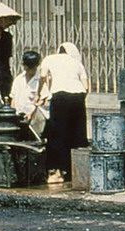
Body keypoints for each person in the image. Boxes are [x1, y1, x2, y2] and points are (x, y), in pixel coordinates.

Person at [34, 42, 89, 184]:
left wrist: (39, 93)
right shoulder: (77, 63)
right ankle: (75, 172)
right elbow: (86, 87)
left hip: (59, 97)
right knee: (77, 134)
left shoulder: (50, 58)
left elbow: (42, 76)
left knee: (57, 134)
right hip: (78, 97)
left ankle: (56, 173)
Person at [10, 50, 48, 139]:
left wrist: (32, 113)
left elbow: (43, 99)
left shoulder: (39, 81)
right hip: (19, 116)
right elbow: (13, 98)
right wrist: (13, 113)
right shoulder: (18, 79)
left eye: (33, 68)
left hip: (33, 119)